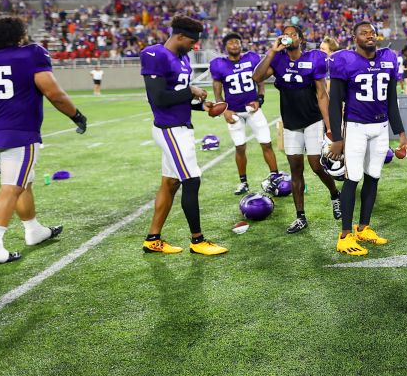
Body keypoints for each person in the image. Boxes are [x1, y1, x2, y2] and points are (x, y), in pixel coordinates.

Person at [0, 17, 87, 263]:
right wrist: (76, 115)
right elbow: (54, 93)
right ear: (20, 36)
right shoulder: (31, 54)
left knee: (24, 182)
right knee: (12, 187)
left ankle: (33, 229)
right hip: (20, 131)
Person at [139, 15, 229, 256]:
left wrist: (203, 106)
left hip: (180, 125)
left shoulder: (183, 59)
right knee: (192, 179)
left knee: (170, 183)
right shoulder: (155, 55)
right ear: (179, 36)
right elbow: (158, 98)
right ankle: (197, 240)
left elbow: (178, 98)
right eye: (192, 41)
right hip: (170, 129)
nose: (194, 46)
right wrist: (190, 90)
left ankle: (153, 239)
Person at [326, 23, 407, 255]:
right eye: (364, 32)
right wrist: (337, 137)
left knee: (373, 177)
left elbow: (392, 101)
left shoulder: (388, 59)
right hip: (356, 127)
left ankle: (363, 227)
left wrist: (401, 133)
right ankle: (344, 235)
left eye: (372, 32)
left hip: (381, 127)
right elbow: (335, 102)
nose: (369, 35)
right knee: (353, 178)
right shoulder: (345, 61)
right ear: (354, 38)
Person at [254, 25, 341, 234]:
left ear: (301, 39)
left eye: (294, 34)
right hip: (291, 123)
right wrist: (272, 51)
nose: (289, 37)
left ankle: (335, 194)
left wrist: (330, 128)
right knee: (295, 170)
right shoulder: (277, 58)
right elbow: (257, 77)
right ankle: (300, 216)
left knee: (316, 165)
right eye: (286, 34)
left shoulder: (314, 58)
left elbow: (322, 95)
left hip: (312, 119)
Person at [210, 32, 280, 197]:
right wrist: (224, 110)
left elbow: (260, 81)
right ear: (225, 47)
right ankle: (243, 182)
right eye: (231, 43)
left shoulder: (252, 58)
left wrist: (260, 99)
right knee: (239, 147)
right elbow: (217, 91)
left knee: (266, 144)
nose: (235, 45)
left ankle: (275, 177)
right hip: (234, 112)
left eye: (237, 42)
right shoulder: (218, 64)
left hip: (253, 110)